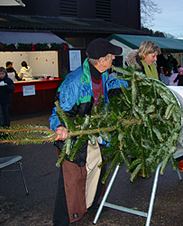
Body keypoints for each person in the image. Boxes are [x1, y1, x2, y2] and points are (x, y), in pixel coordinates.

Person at [49, 38, 128, 226]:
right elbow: (60, 110)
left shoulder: (102, 74)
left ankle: (91, 204)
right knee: (71, 176)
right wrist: (60, 127)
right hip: (75, 134)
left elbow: (109, 85)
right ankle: (61, 220)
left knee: (97, 165)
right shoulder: (75, 81)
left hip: (93, 130)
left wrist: (124, 86)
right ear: (101, 60)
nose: (113, 61)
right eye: (111, 58)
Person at [0, 67, 15, 138]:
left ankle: (6, 131)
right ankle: (1, 132)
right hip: (0, 102)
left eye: (2, 74)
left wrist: (6, 86)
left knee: (6, 117)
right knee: (1, 117)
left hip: (7, 101)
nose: (1, 75)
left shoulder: (8, 81)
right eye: (0, 74)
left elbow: (12, 89)